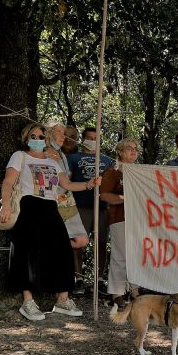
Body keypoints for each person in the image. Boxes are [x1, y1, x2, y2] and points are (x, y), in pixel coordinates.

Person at [0, 123, 101, 321]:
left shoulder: (53, 162)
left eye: (41, 136)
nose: (37, 139)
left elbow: (68, 184)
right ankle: (28, 301)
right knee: (26, 251)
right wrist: (6, 206)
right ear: (26, 138)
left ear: (46, 140)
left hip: (51, 208)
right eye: (33, 136)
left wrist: (89, 184)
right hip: (29, 206)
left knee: (62, 250)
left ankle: (62, 299)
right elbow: (8, 182)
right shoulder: (19, 156)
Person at [67, 126, 114, 294]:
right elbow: (67, 180)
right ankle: (78, 278)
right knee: (78, 243)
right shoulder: (73, 158)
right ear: (83, 139)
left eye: (95, 138)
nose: (92, 141)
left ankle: (100, 279)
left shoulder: (107, 160)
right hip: (80, 205)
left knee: (101, 243)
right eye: (89, 138)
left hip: (101, 206)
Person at [100, 138, 140, 308]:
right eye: (129, 148)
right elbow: (105, 195)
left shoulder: (140, 172)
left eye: (136, 149)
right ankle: (116, 293)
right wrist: (125, 198)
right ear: (120, 151)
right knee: (120, 256)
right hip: (119, 218)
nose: (133, 151)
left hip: (138, 220)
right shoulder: (113, 172)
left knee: (136, 256)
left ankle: (135, 291)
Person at [44, 121, 89, 250]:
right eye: (59, 132)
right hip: (50, 201)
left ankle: (48, 244)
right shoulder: (41, 153)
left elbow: (67, 182)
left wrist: (88, 184)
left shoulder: (62, 155)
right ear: (48, 133)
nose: (63, 136)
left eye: (64, 133)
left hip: (66, 201)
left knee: (81, 240)